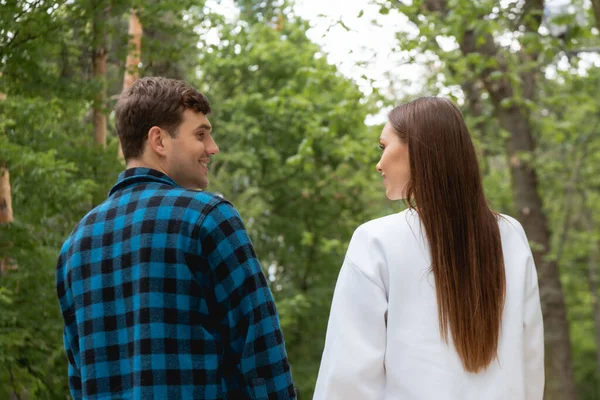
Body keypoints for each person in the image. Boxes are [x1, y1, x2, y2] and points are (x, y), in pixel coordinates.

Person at [56, 77, 296, 399]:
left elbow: (80, 378)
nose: (213, 148)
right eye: (200, 134)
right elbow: (261, 354)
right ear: (159, 140)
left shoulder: (74, 245)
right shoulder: (208, 218)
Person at [313, 97, 544, 400]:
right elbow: (531, 360)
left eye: (384, 147)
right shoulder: (510, 235)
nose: (379, 163)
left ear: (415, 149)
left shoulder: (376, 240)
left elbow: (347, 378)